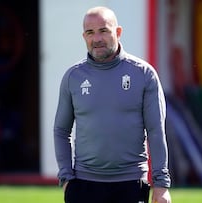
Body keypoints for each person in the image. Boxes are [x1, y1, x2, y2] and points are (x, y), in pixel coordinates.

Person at [53, 6, 171, 203]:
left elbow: (156, 132)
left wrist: (161, 185)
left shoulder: (143, 74)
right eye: (90, 33)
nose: (97, 38)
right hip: (83, 185)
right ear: (84, 37)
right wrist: (66, 178)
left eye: (104, 31)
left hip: (131, 184)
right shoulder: (73, 77)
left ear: (118, 32)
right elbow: (60, 130)